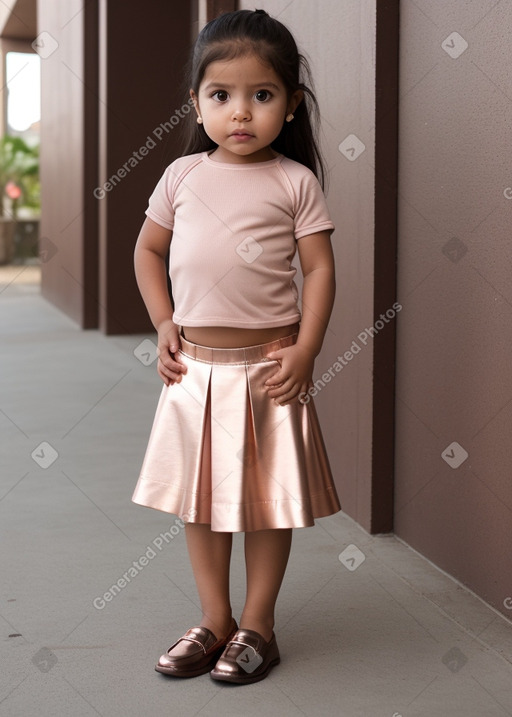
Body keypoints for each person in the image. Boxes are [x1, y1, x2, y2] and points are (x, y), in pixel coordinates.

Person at [131, 8, 341, 685]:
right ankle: (213, 617)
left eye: (262, 94)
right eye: (221, 96)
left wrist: (308, 347)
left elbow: (319, 269)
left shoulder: (294, 182)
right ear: (196, 101)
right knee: (201, 500)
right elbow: (148, 250)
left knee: (266, 500)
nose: (241, 112)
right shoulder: (183, 176)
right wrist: (164, 322)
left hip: (268, 368)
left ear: (291, 105)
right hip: (194, 369)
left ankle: (259, 623)